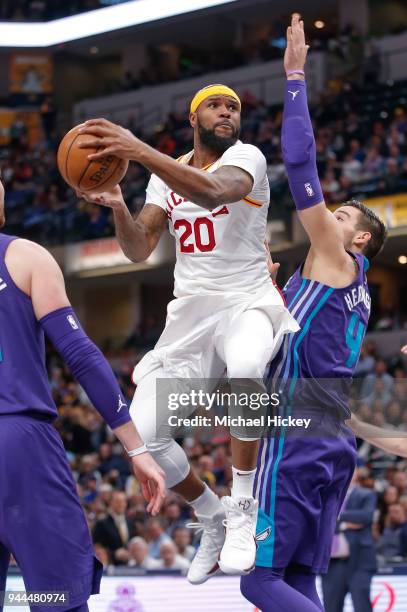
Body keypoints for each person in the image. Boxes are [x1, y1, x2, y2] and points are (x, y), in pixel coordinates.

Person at [77, 81, 298, 580]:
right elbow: (138, 249)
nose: (227, 113)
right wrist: (118, 207)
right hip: (190, 317)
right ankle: (211, 514)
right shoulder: (164, 175)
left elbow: (215, 190)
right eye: (215, 106)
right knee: (145, 433)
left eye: (234, 107)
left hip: (247, 301)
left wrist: (139, 150)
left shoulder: (248, 158)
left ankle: (243, 506)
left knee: (245, 367)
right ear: (194, 119)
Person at [241, 14, 387, 612]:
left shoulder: (334, 254)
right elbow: (305, 340)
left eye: (345, 217)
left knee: (257, 581)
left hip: (298, 428)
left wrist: (295, 76)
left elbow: (300, 167)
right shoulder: (352, 287)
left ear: (356, 242)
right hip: (331, 439)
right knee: (300, 582)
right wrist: (274, 301)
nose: (334, 217)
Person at [0, 178, 165, 612]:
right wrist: (135, 446)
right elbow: (79, 354)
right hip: (18, 445)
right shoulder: (23, 255)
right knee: (58, 602)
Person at [321, 470, 377, 612]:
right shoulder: (326, 496)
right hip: (332, 563)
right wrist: (349, 523)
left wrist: (337, 518)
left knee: (362, 606)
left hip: (359, 561)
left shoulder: (366, 494)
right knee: (331, 607)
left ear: (355, 474)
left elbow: (366, 517)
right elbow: (320, 519)